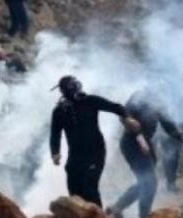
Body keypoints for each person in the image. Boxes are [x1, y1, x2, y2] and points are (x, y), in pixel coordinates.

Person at [49, 76, 137, 207]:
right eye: (71, 87)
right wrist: (55, 152)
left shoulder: (90, 101)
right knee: (74, 189)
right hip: (75, 155)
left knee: (89, 187)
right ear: (63, 91)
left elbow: (115, 107)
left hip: (96, 152)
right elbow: (55, 133)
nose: (75, 89)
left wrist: (128, 117)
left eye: (75, 85)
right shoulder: (60, 111)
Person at [107, 91, 183, 218]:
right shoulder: (138, 98)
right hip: (131, 144)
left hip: (146, 144)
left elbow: (167, 123)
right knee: (149, 182)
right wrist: (140, 138)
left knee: (145, 182)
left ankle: (117, 208)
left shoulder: (158, 100)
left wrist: (181, 136)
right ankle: (144, 217)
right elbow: (125, 117)